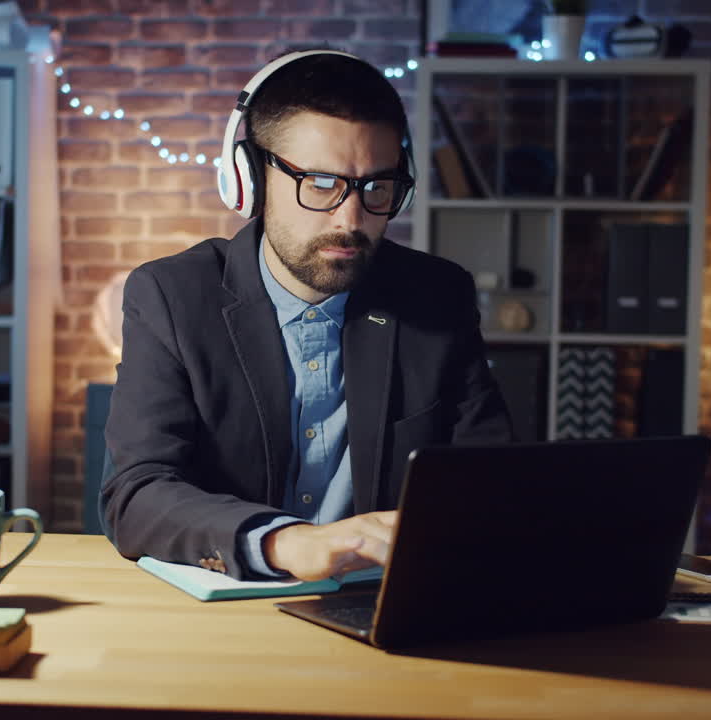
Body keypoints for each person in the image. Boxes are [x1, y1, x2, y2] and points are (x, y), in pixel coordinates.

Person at [102, 50, 513, 582]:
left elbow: (490, 480)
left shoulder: (438, 296)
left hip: (382, 610)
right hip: (228, 617)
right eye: (320, 183)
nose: (351, 219)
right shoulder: (171, 296)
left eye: (377, 188)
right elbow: (136, 493)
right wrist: (285, 543)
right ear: (249, 178)